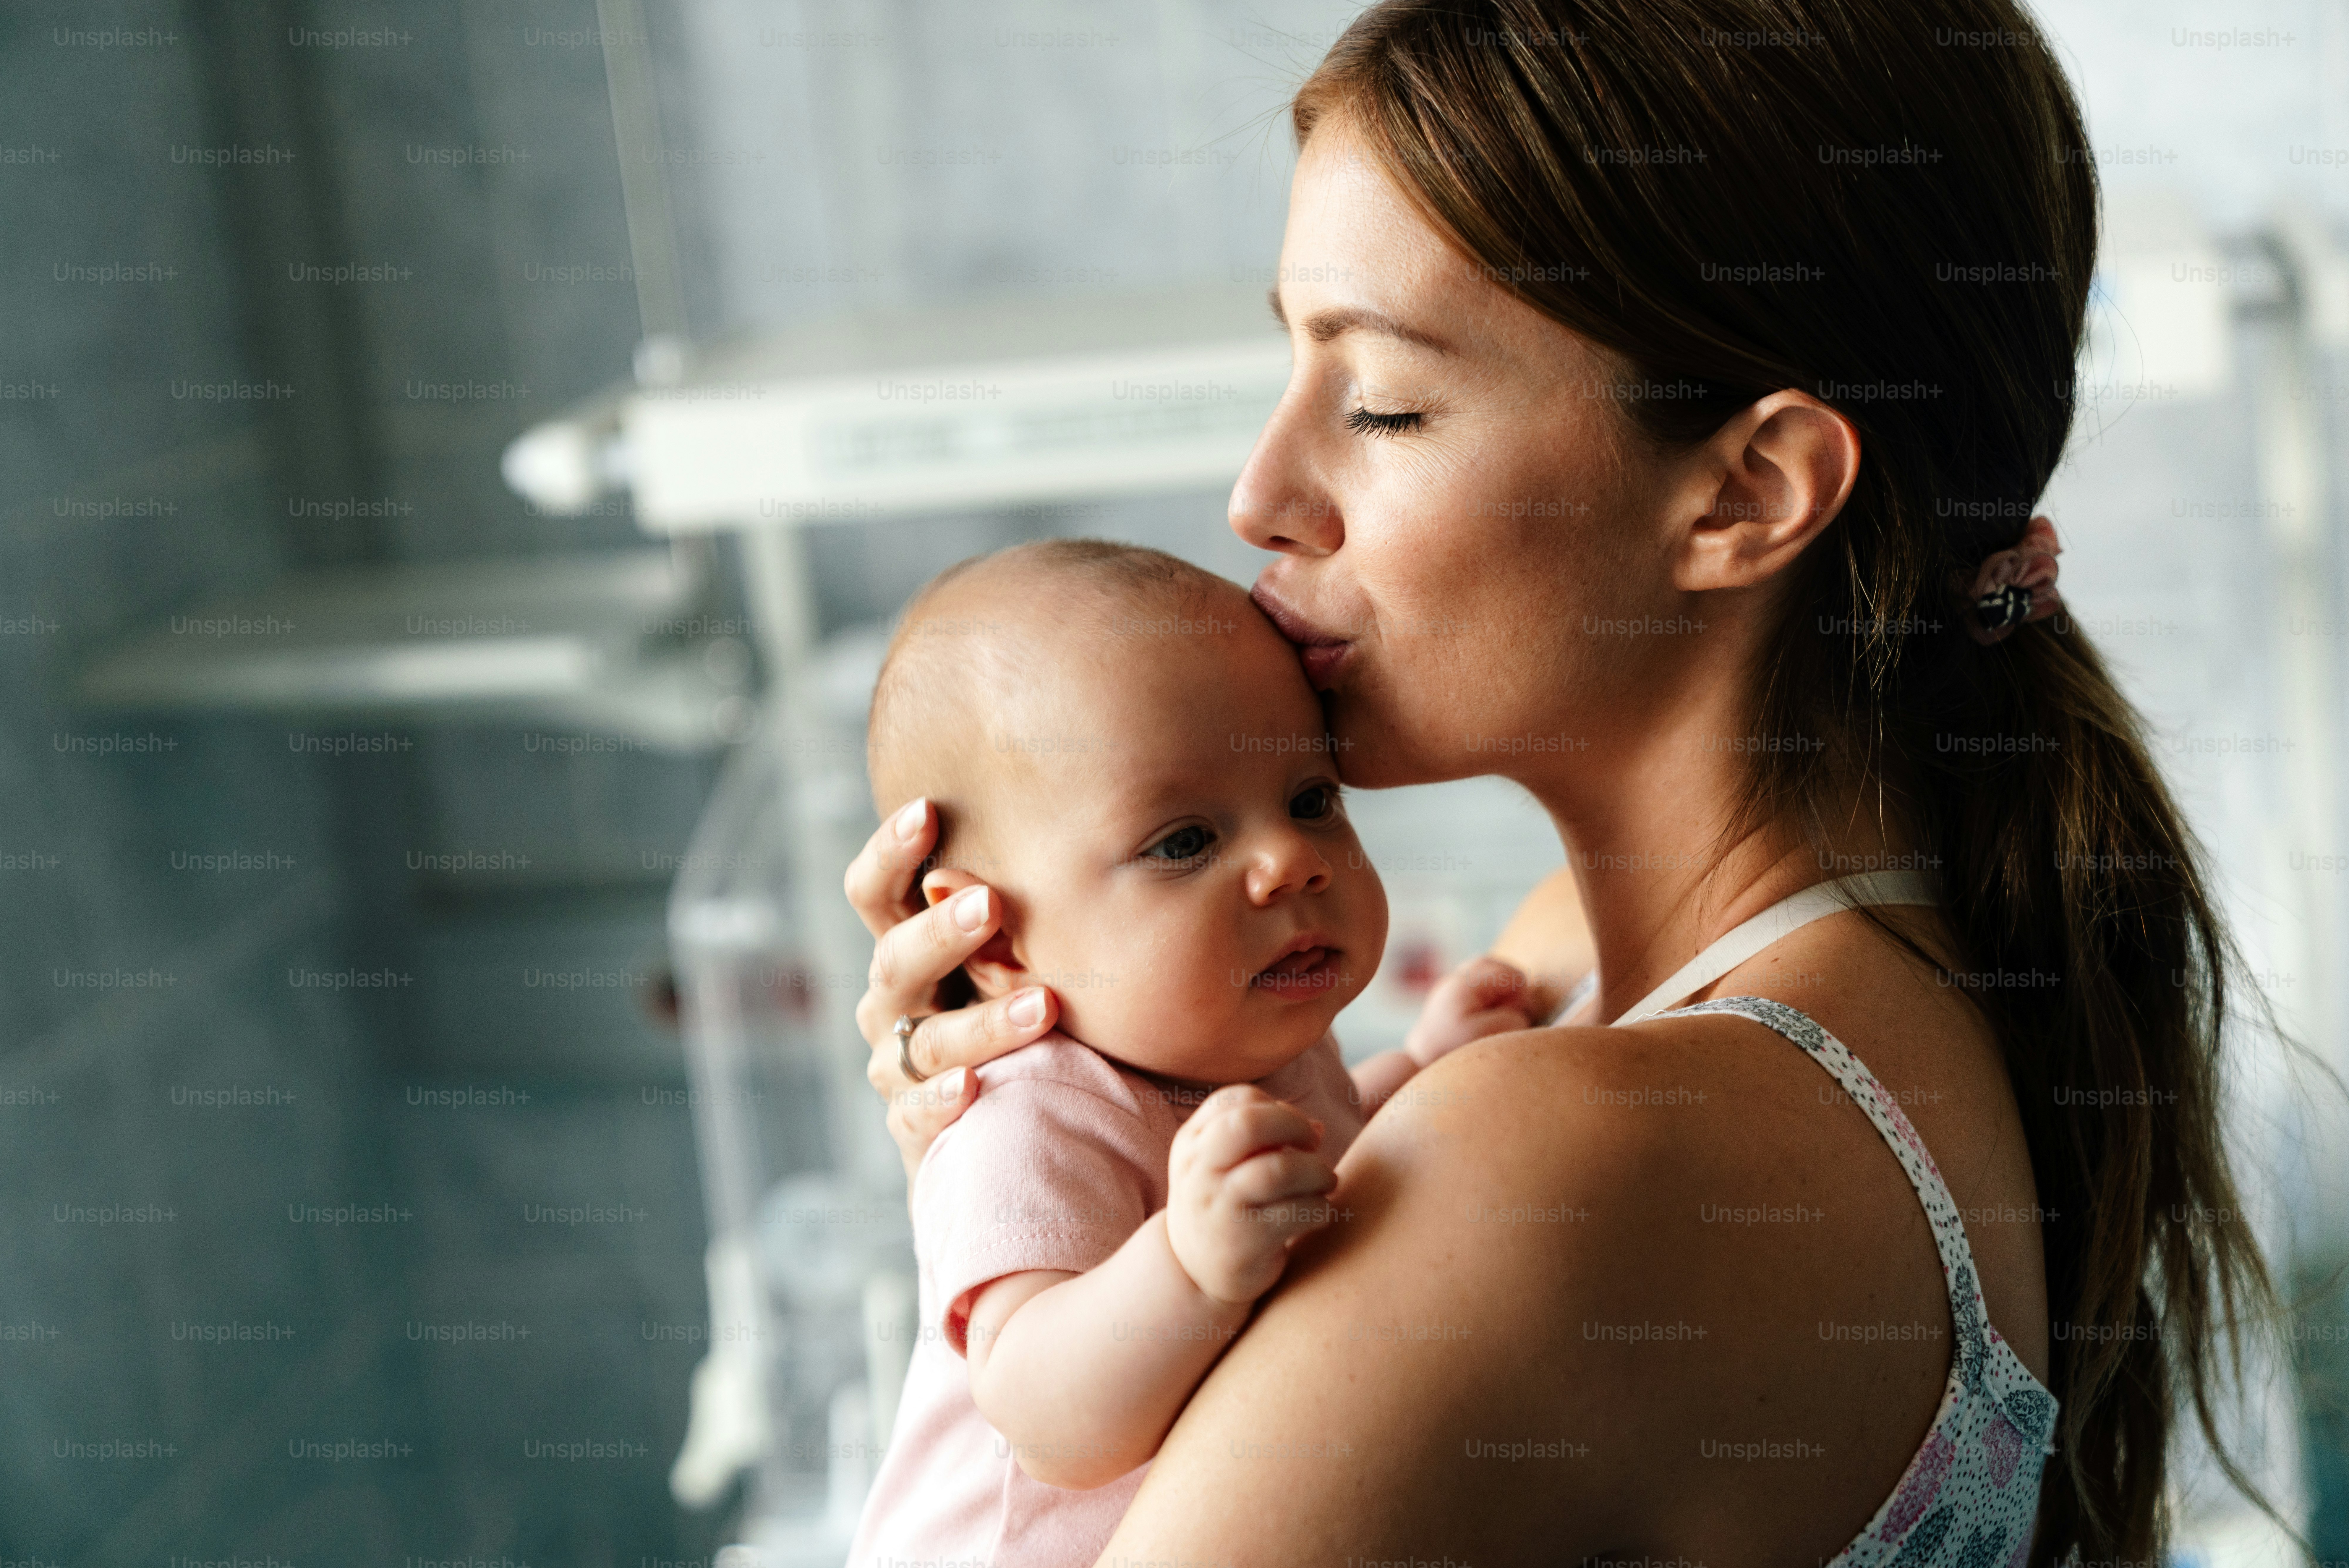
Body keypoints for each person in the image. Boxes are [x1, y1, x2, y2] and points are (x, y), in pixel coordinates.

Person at [843, 1, 2280, 1561]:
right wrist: (1029, 1116)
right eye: (1290, 366)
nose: (1262, 496)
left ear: (1747, 491)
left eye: (1383, 402)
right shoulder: (1791, 948)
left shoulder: (1555, 1166)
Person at [848, 541, 1498, 1567]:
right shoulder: (1026, 1118)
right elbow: (1047, 1416)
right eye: (1185, 842)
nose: (1290, 861)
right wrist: (1187, 1270)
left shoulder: (1259, 1043)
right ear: (996, 937)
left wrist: (1419, 1067)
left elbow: (1308, 1158)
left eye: (1310, 800)